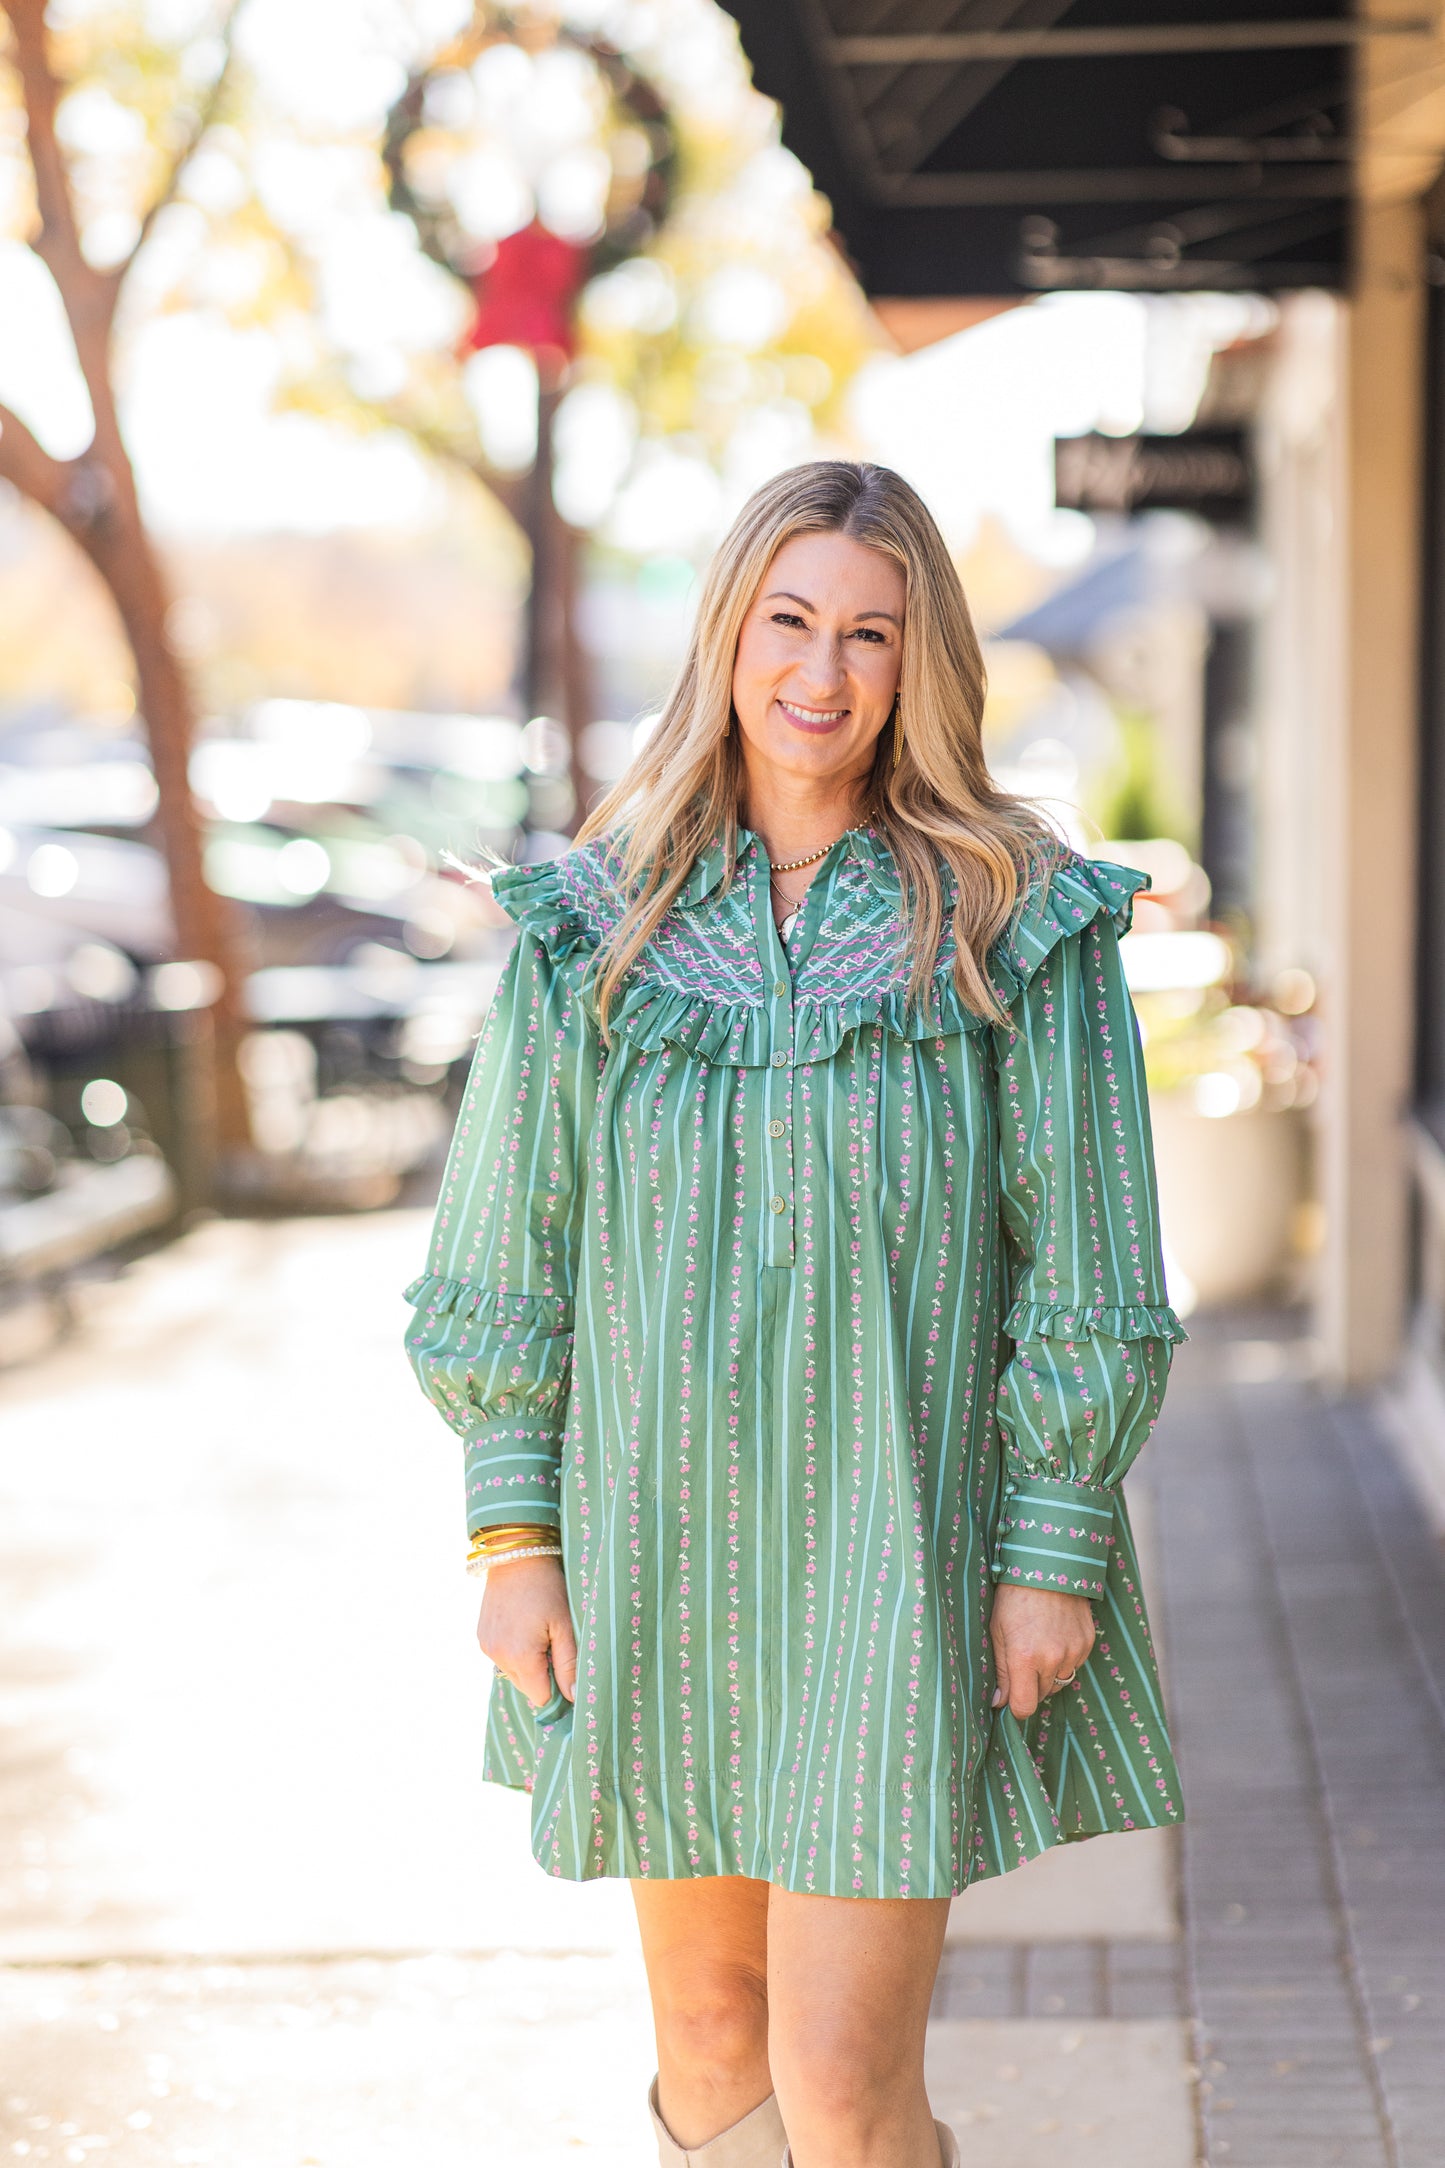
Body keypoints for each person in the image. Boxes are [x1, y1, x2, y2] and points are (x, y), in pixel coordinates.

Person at [402, 460, 1186, 2168]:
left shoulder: (1009, 919)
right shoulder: (591, 929)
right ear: (727, 634)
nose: (820, 676)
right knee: (704, 2055)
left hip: (889, 1558)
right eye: (789, 622)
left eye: (869, 635)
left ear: (923, 664)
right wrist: (509, 1534)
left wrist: (1049, 1539)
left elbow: (1095, 1266)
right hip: (651, 1549)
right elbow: (500, 1263)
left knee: (839, 2091)